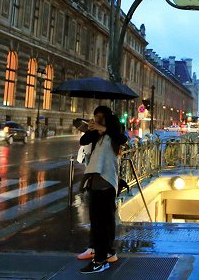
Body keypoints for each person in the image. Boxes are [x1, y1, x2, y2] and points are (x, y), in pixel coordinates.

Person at [77, 106, 128, 274]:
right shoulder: (97, 135)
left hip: (106, 181)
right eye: (95, 116)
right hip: (95, 182)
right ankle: (106, 252)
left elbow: (122, 138)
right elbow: (83, 141)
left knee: (101, 222)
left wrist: (102, 128)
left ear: (107, 118)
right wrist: (91, 129)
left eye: (100, 116)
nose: (96, 119)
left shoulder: (112, 134)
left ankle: (99, 260)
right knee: (100, 221)